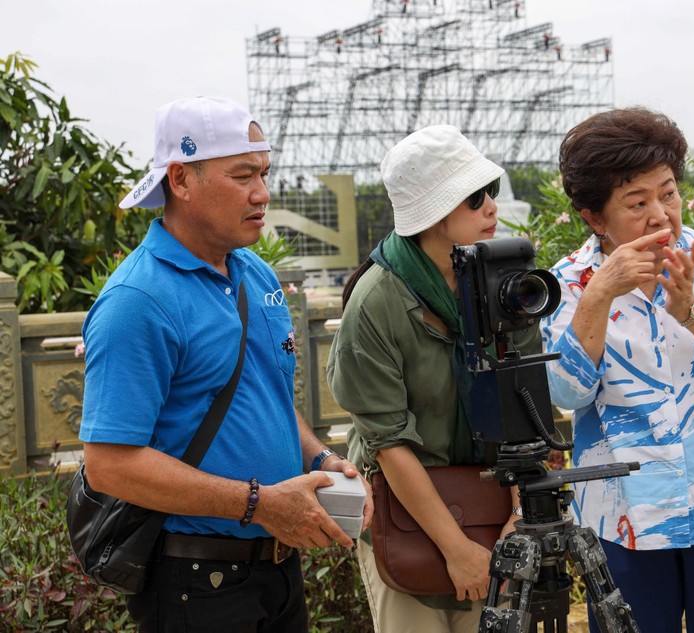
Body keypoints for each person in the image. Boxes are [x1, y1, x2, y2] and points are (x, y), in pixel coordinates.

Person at [79, 96, 372, 633]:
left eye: (263, 173)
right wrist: (259, 503)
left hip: (278, 570)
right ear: (181, 179)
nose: (262, 193)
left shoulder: (255, 274)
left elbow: (266, 399)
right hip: (196, 582)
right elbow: (109, 464)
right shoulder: (137, 300)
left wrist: (321, 461)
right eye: (242, 176)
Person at [541, 107, 694, 633]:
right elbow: (563, 393)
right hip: (625, 521)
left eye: (669, 192)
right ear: (593, 215)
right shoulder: (566, 282)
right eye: (638, 202)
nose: (661, 214)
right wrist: (598, 295)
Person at [327, 124, 534, 632]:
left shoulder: (506, 283)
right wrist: (457, 548)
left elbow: (523, 404)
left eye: (492, 192)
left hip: (497, 502)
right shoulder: (376, 301)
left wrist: (518, 519)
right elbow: (388, 442)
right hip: (409, 516)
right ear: (435, 213)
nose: (491, 207)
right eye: (474, 198)